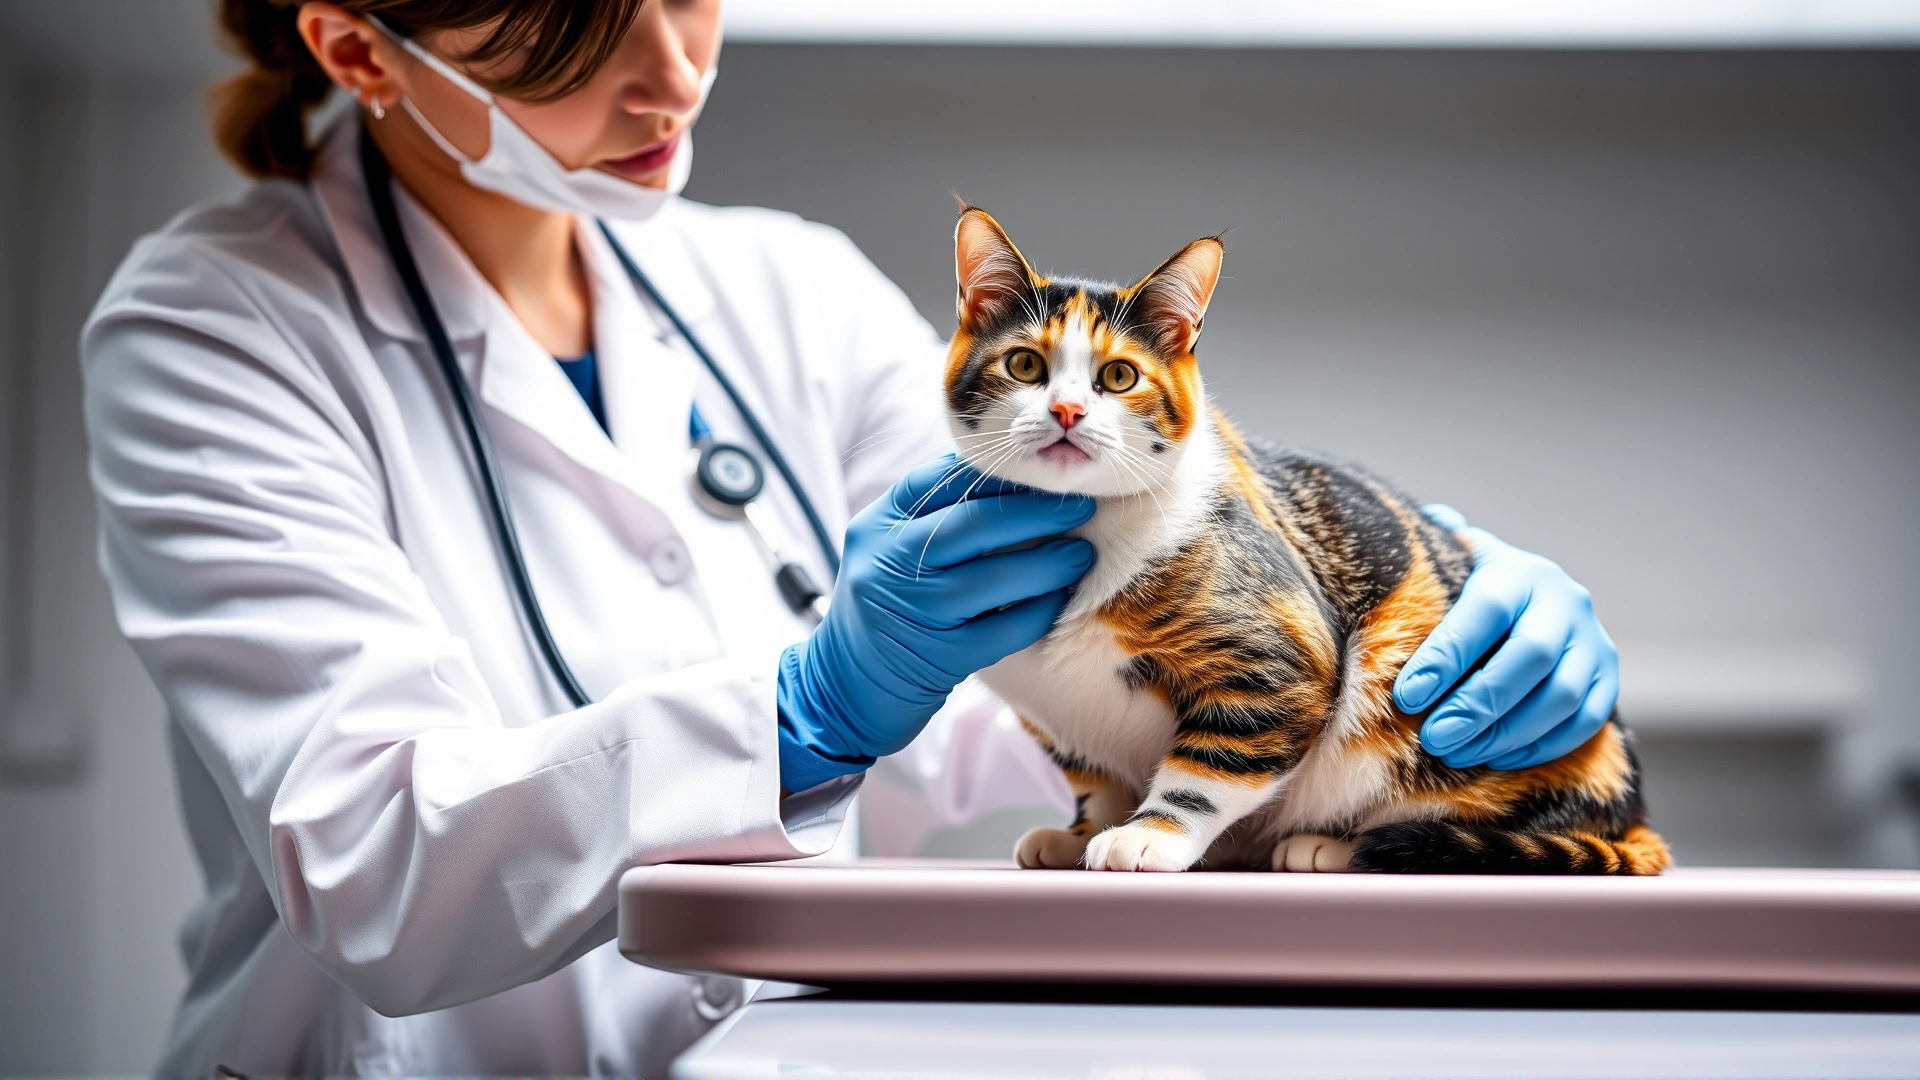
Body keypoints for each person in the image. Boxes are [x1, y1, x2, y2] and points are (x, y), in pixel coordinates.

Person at [80, 1, 1622, 1075]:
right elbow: (371, 866)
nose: (669, 77)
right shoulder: (213, 328)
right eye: (573, 39)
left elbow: (1086, 618)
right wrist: (809, 713)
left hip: (788, 1048)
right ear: (360, 49)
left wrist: (1412, 596)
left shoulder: (785, 290)